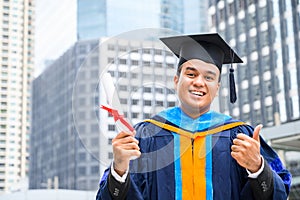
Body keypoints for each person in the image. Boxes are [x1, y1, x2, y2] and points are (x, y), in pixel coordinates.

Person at [96, 33, 291, 200]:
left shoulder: (240, 136)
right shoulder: (145, 136)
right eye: (191, 74)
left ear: (217, 88)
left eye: (209, 77)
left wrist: (257, 168)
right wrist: (120, 168)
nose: (199, 82)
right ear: (176, 80)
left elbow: (280, 193)